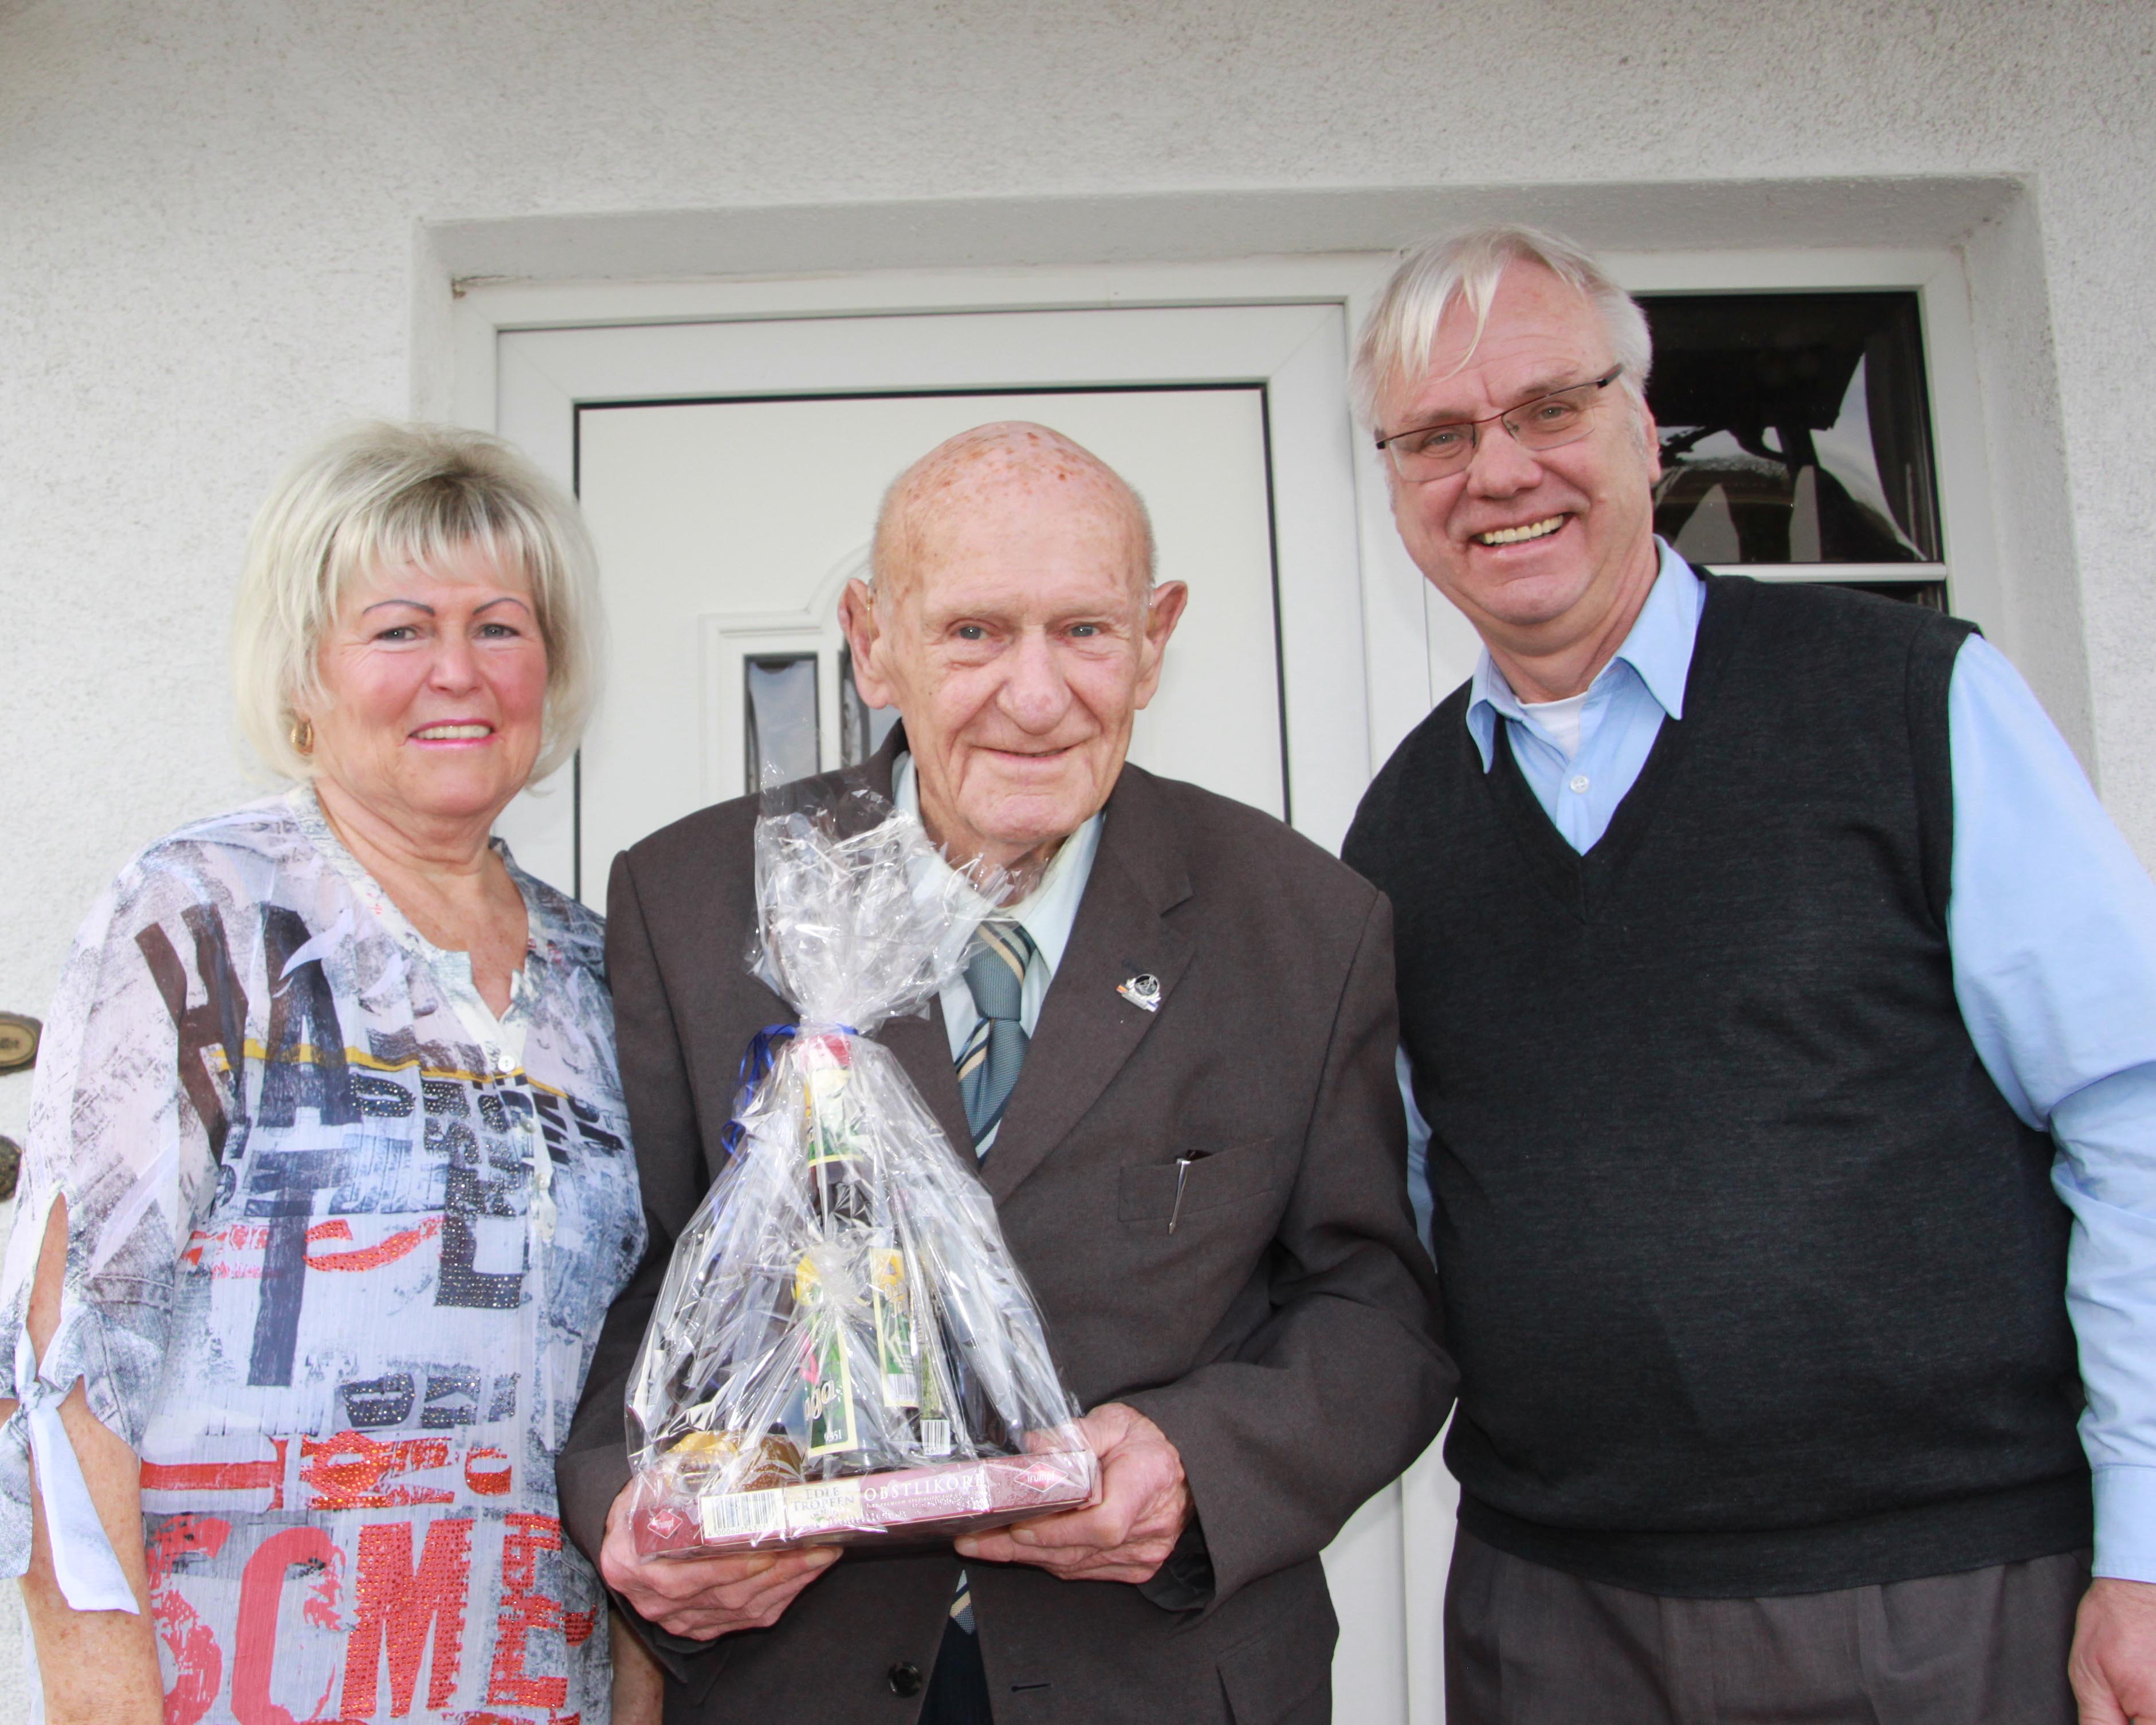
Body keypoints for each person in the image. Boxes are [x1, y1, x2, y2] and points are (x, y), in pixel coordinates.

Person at [1340, 224, 2156, 1724]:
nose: (1497, 472)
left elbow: (2133, 1110)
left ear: (1641, 428)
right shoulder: (1397, 830)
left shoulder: (1909, 702)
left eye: (1546, 410)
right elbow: (1392, 1225)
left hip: (1941, 1593)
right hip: (1550, 1609)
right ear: (1393, 484)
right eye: (1436, 436)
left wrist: (2150, 1551)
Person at [556, 421, 1452, 1724]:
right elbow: (626, 1278)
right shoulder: (693, 902)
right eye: (974, 631)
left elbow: (1378, 1307)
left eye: (1085, 631)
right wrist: (623, 1509)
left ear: (1156, 636)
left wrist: (1202, 1464)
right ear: (872, 638)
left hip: (1160, 1674)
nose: (1035, 695)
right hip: (789, 1677)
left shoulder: (1302, 922)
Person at [0, 424, 651, 1724]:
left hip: (548, 1691)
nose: (456, 673)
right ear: (306, 672)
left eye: (501, 627)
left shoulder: (604, 970)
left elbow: (645, 1401)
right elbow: (66, 1370)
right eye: (400, 629)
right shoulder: (200, 917)